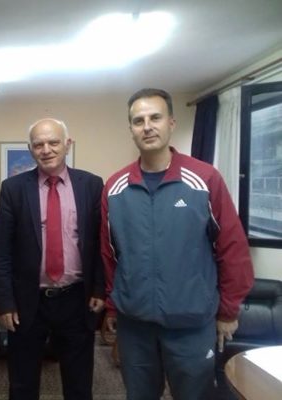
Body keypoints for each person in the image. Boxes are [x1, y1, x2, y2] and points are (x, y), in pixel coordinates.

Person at [100, 88, 255, 400]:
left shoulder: (204, 179)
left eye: (155, 117)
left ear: (171, 122)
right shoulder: (115, 188)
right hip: (135, 326)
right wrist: (113, 306)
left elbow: (232, 248)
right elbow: (109, 254)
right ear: (131, 129)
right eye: (138, 121)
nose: (147, 126)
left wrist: (228, 311)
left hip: (191, 324)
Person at [0, 118, 105, 400]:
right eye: (38, 144)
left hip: (77, 299)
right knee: (22, 384)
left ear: (68, 144)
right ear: (30, 149)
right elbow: (2, 251)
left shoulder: (91, 185)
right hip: (27, 301)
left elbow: (100, 243)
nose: (46, 149)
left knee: (79, 384)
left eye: (53, 142)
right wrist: (5, 302)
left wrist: (99, 288)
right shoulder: (13, 189)